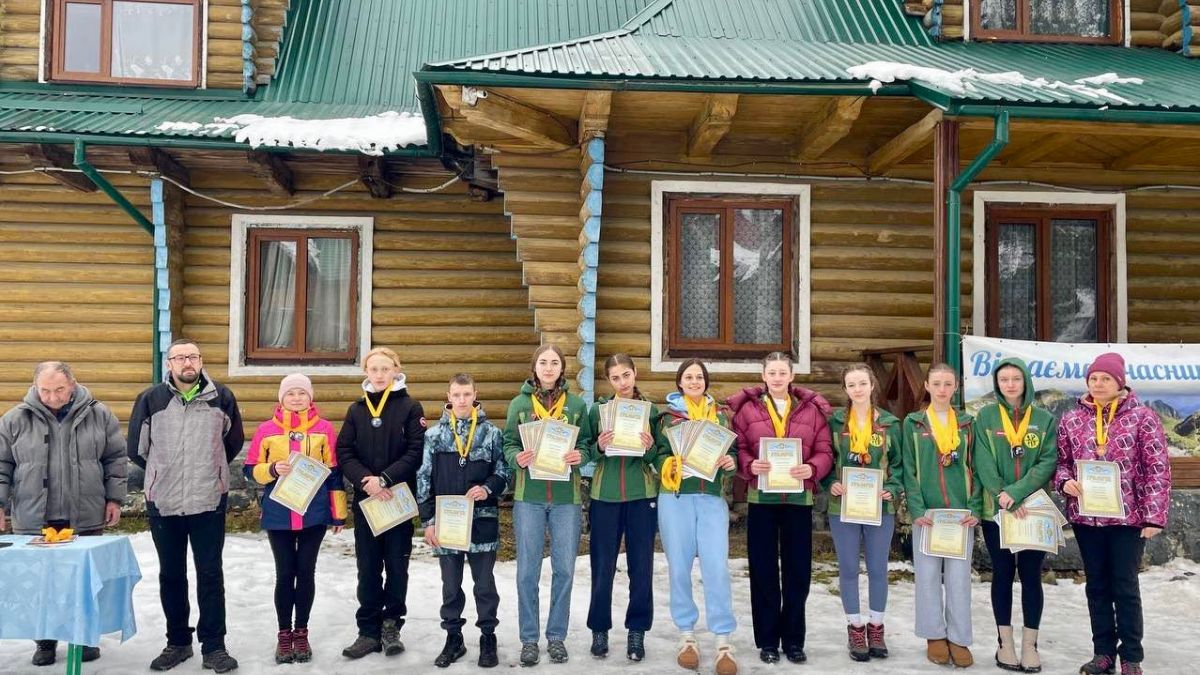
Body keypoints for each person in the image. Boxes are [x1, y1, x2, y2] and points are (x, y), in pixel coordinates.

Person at [0, 361, 127, 667]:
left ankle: (83, 640)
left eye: (59, 389)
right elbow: (2, 465)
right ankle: (44, 641)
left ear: (72, 384)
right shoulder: (15, 419)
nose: (53, 397)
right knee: (42, 583)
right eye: (45, 390)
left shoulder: (100, 414)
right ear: (35, 387)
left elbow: (115, 459)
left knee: (82, 580)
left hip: (84, 514)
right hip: (34, 517)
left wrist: (114, 499)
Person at [128, 339, 244, 673]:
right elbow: (137, 448)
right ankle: (178, 642)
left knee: (210, 574)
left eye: (192, 356)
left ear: (201, 360)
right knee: (171, 575)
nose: (186, 362)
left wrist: (212, 468)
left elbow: (232, 442)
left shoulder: (221, 397)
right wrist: (163, 472)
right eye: (179, 357)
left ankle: (214, 646)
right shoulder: (151, 400)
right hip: (164, 502)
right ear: (169, 363)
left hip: (208, 499)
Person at [1056, 353, 1170, 675]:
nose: (1098, 384)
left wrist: (1152, 516)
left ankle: (1131, 656)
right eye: (1093, 378)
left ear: (1120, 382)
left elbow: (1157, 469)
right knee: (1097, 586)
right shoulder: (1071, 419)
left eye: (1106, 378)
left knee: (1125, 585)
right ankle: (1102, 653)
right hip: (1086, 518)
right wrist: (1065, 483)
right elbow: (1062, 462)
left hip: (1128, 519)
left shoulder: (1143, 417)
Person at [730, 352, 833, 665]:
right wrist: (750, 464)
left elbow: (825, 449)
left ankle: (793, 640)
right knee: (762, 571)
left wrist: (812, 468)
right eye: (771, 372)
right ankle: (767, 641)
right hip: (762, 499)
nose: (776, 378)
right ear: (763, 376)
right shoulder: (747, 410)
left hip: (798, 500)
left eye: (782, 372)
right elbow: (739, 447)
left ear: (791, 376)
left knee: (797, 571)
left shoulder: (811, 411)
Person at [243, 373, 347, 664]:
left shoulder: (325, 429)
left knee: (306, 572)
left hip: (313, 513)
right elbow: (250, 470)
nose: (297, 398)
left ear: (310, 397)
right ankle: (283, 634)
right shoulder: (266, 430)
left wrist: (338, 513)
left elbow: (334, 473)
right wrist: (273, 469)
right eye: (291, 393)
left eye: (302, 393)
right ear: (281, 398)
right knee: (285, 573)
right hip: (279, 514)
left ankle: (301, 632)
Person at [502, 344, 593, 667]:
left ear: (562, 368)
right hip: (530, 498)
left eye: (555, 362)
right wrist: (517, 458)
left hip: (567, 498)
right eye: (544, 362)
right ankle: (529, 638)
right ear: (535, 367)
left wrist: (581, 455)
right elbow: (509, 443)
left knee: (565, 570)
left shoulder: (578, 405)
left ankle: (556, 636)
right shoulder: (519, 404)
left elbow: (587, 445)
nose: (549, 367)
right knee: (528, 570)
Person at [338, 347, 426, 660]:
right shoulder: (356, 410)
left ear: (395, 371)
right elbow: (344, 452)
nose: (379, 375)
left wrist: (386, 479)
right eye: (373, 369)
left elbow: (416, 452)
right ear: (366, 372)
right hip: (368, 501)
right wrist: (367, 481)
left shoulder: (411, 408)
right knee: (368, 566)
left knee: (397, 565)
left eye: (385, 369)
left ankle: (391, 626)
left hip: (397, 499)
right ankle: (368, 631)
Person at [417, 373, 509, 669]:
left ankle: (487, 636)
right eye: (456, 395)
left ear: (475, 395)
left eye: (466, 394)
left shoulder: (492, 434)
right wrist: (428, 520)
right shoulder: (433, 436)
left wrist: (487, 488)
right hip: (447, 524)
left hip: (482, 522)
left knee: (484, 584)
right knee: (450, 585)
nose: (461, 400)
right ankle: (453, 637)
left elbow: (505, 473)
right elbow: (423, 479)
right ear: (448, 396)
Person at [972, 358, 1058, 673]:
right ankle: (1004, 643)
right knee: (1003, 573)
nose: (1010, 384)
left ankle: (1029, 645)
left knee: (1031, 576)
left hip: (1032, 510)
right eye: (1004, 379)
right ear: (997, 384)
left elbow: (1047, 461)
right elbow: (982, 460)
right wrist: (1003, 496)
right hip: (997, 511)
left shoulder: (1045, 419)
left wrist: (1018, 493)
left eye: (1016, 379)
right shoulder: (985, 417)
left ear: (1026, 382)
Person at [655, 358, 739, 675]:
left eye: (699, 377)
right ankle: (687, 635)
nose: (694, 381)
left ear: (706, 382)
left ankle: (722, 639)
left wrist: (730, 462)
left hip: (710, 499)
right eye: (688, 377)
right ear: (679, 383)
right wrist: (670, 464)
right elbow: (657, 455)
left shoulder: (720, 416)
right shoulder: (669, 418)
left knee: (716, 567)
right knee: (679, 567)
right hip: (675, 499)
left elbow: (733, 451)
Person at [901, 363, 981, 668]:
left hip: (961, 516)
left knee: (960, 578)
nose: (942, 389)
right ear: (927, 386)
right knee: (928, 575)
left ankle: (959, 637)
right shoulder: (914, 423)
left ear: (956, 387)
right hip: (929, 516)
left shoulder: (967, 423)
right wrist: (917, 509)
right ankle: (933, 634)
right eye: (937, 383)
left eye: (948, 384)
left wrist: (974, 506)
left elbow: (977, 466)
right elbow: (909, 469)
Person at [822, 363, 903, 662]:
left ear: (872, 386)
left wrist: (892, 489)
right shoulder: (834, 423)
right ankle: (855, 626)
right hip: (842, 506)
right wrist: (830, 483)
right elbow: (824, 460)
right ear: (845, 390)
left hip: (879, 507)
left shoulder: (891, 424)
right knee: (848, 569)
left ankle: (876, 626)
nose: (857, 389)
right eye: (851, 385)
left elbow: (899, 466)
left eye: (862, 383)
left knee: (879, 569)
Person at [585, 354, 659, 662]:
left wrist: (650, 445)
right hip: (605, 497)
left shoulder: (651, 412)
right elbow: (586, 450)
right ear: (609, 381)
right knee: (602, 568)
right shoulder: (598, 411)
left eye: (626, 375)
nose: (622, 382)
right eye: (615, 378)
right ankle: (599, 629)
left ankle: (637, 631)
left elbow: (659, 455)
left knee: (641, 567)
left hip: (642, 497)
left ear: (635, 373)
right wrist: (599, 446)